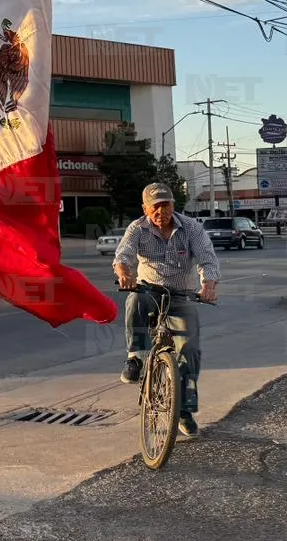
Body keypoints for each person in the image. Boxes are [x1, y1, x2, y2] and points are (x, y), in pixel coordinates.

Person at [113, 182, 220, 438]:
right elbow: (123, 255)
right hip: (149, 290)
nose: (162, 211)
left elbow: (207, 258)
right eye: (156, 206)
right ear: (145, 208)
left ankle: (184, 410)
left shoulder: (192, 228)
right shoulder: (138, 228)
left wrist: (208, 285)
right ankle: (136, 357)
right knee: (134, 301)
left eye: (166, 204)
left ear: (174, 205)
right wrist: (124, 274)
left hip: (182, 295)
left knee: (190, 350)